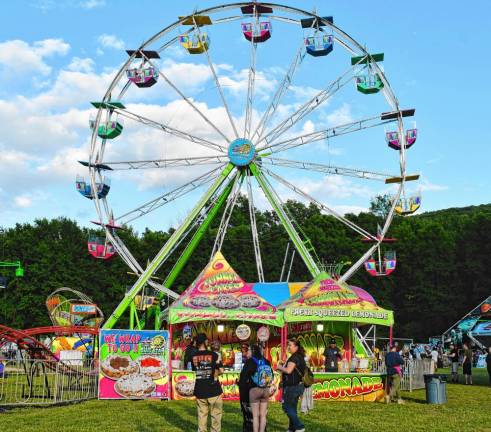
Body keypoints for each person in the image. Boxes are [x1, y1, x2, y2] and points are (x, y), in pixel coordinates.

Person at [191, 333, 224, 432]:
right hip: (213, 389)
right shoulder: (214, 355)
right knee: (216, 416)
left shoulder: (193, 356)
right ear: (205, 342)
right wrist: (214, 374)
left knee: (202, 415)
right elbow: (221, 371)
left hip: (200, 389)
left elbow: (195, 370)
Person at [241, 344, 273, 432]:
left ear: (252, 351)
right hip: (265, 390)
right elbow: (271, 376)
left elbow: (243, 378)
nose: (248, 352)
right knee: (263, 415)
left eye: (249, 350)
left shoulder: (250, 361)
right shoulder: (266, 361)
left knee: (255, 416)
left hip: (254, 390)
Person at [276, 339, 306, 432]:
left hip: (292, 386)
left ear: (296, 347)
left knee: (287, 407)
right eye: (288, 345)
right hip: (298, 386)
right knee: (292, 407)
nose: (288, 347)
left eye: (290, 345)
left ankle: (299, 427)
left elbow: (289, 371)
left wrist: (279, 367)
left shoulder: (294, 357)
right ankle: (292, 428)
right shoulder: (300, 357)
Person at [238, 345, 254, 432]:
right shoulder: (262, 361)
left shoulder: (249, 363)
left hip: (248, 392)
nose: (244, 353)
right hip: (259, 393)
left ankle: (248, 429)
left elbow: (244, 379)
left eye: (247, 351)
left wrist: (239, 382)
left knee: (248, 415)